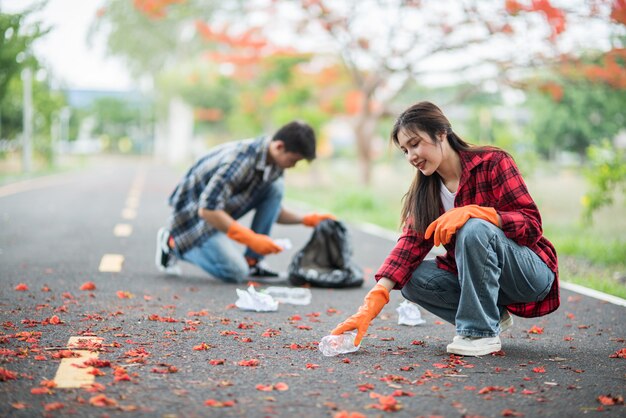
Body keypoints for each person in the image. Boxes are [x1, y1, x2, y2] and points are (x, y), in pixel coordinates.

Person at [331, 101, 559, 356]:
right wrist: (371, 303)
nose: (411, 156)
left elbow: (531, 225)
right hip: (481, 280)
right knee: (410, 278)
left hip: (527, 274)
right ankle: (491, 315)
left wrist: (479, 213)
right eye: (405, 150)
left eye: (415, 144)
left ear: (441, 133)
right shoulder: (426, 192)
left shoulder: (493, 162)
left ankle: (480, 333)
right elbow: (408, 247)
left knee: (474, 228)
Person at [155, 121, 335, 283]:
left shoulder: (273, 162)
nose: (293, 166)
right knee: (235, 273)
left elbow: (273, 210)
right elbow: (207, 210)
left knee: (275, 188)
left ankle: (253, 261)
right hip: (193, 223)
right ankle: (172, 244)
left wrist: (306, 219)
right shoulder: (240, 161)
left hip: (218, 211)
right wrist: (251, 239)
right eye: (293, 160)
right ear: (279, 146)